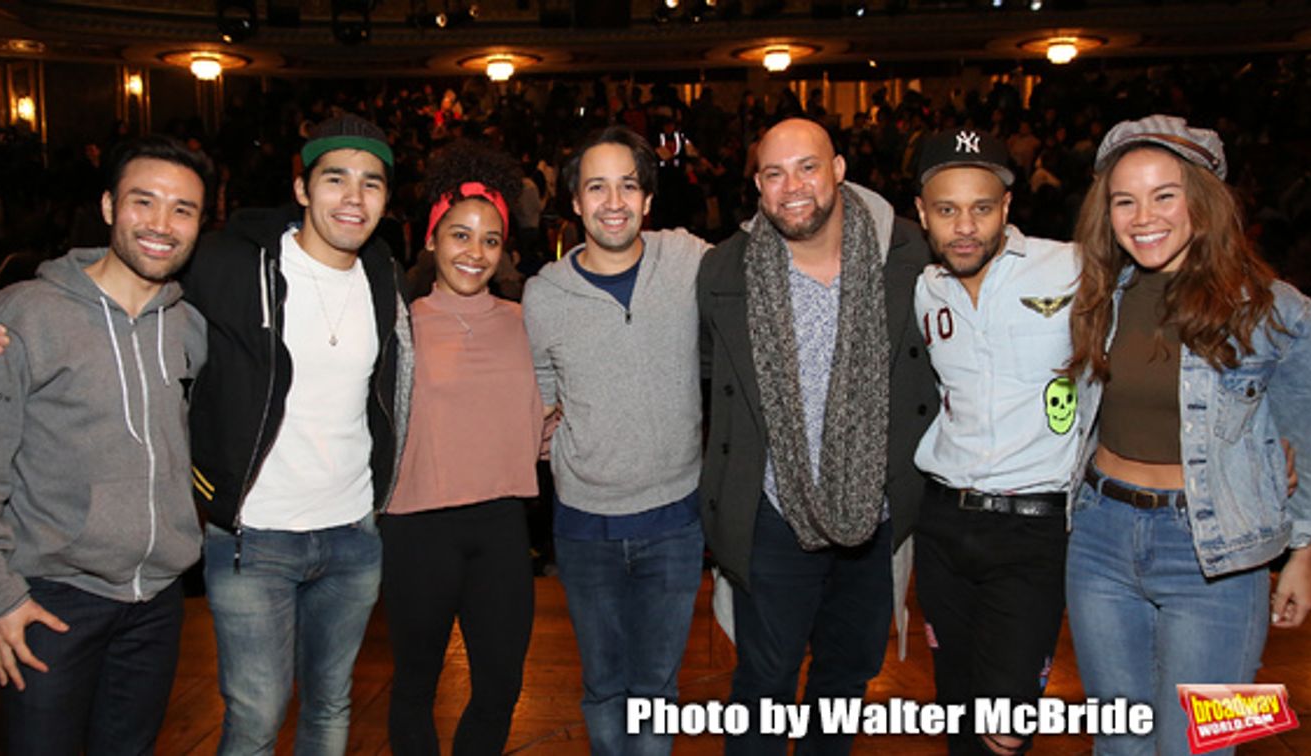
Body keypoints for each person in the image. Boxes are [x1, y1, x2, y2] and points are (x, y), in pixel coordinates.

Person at [0, 114, 410, 756]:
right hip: (242, 542)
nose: (353, 198)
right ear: (302, 189)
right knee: (255, 715)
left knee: (330, 706)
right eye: (335, 179)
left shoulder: (382, 273)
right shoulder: (219, 265)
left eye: (372, 184)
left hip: (333, 542)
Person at [0, 136, 211, 755]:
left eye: (183, 209)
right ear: (110, 206)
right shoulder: (18, 317)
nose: (161, 225)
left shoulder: (190, 328)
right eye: (144, 202)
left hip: (157, 603)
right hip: (50, 601)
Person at [1064, 114, 1311, 754]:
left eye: (1164, 194)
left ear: (1202, 202)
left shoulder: (1275, 308)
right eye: (1125, 200)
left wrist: (1303, 555)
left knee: (1203, 748)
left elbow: (1308, 440)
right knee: (1119, 745)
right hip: (1099, 539)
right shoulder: (1098, 293)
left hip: (1222, 557)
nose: (1143, 216)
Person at [697, 117, 936, 755]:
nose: (792, 186)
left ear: (837, 169)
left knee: (846, 681)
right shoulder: (726, 270)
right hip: (773, 515)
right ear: (757, 186)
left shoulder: (908, 255)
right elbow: (707, 380)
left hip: (876, 516)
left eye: (807, 167)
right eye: (774, 173)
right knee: (764, 687)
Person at [521, 125, 709, 756]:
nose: (613, 201)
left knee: (656, 688)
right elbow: (543, 389)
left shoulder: (685, 260)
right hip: (583, 527)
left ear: (648, 199)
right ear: (573, 201)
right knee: (603, 687)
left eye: (628, 185)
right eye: (596, 186)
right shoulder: (544, 294)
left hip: (675, 523)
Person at [909, 128, 1078, 755]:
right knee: (958, 710)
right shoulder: (924, 289)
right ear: (923, 214)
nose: (965, 227)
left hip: (1033, 531)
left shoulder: (1074, 268)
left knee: (1004, 729)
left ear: (1007, 207)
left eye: (982, 208)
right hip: (944, 524)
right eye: (947, 209)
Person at [381, 140, 542, 755]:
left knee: (501, 686)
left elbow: (546, 412)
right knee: (416, 685)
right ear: (431, 239)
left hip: (502, 527)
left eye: (490, 240)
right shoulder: (398, 324)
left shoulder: (527, 320)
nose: (474, 253)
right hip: (417, 529)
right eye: (459, 235)